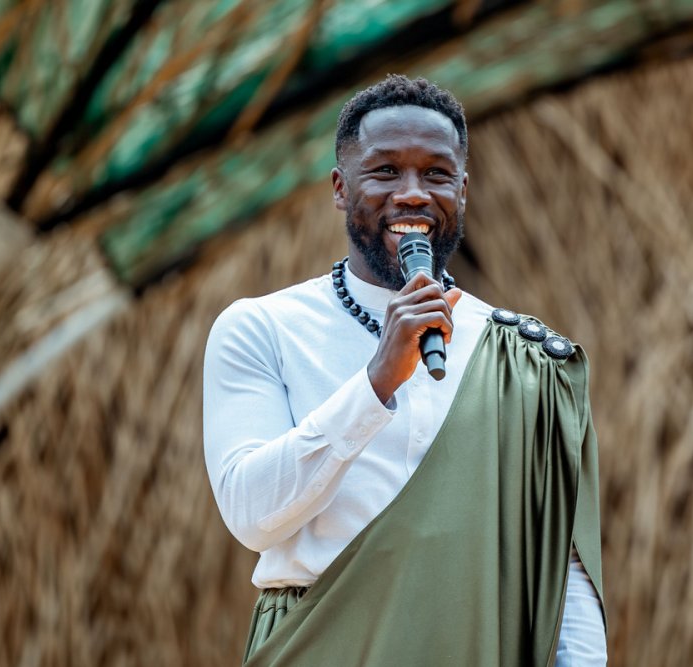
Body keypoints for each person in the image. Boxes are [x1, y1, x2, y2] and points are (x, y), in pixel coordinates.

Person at [203, 75, 607, 666]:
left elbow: (565, 575)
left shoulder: (527, 363)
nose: (413, 194)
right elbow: (251, 517)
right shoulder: (262, 328)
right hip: (318, 646)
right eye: (386, 171)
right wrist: (376, 382)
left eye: (436, 174)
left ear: (462, 190)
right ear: (341, 188)